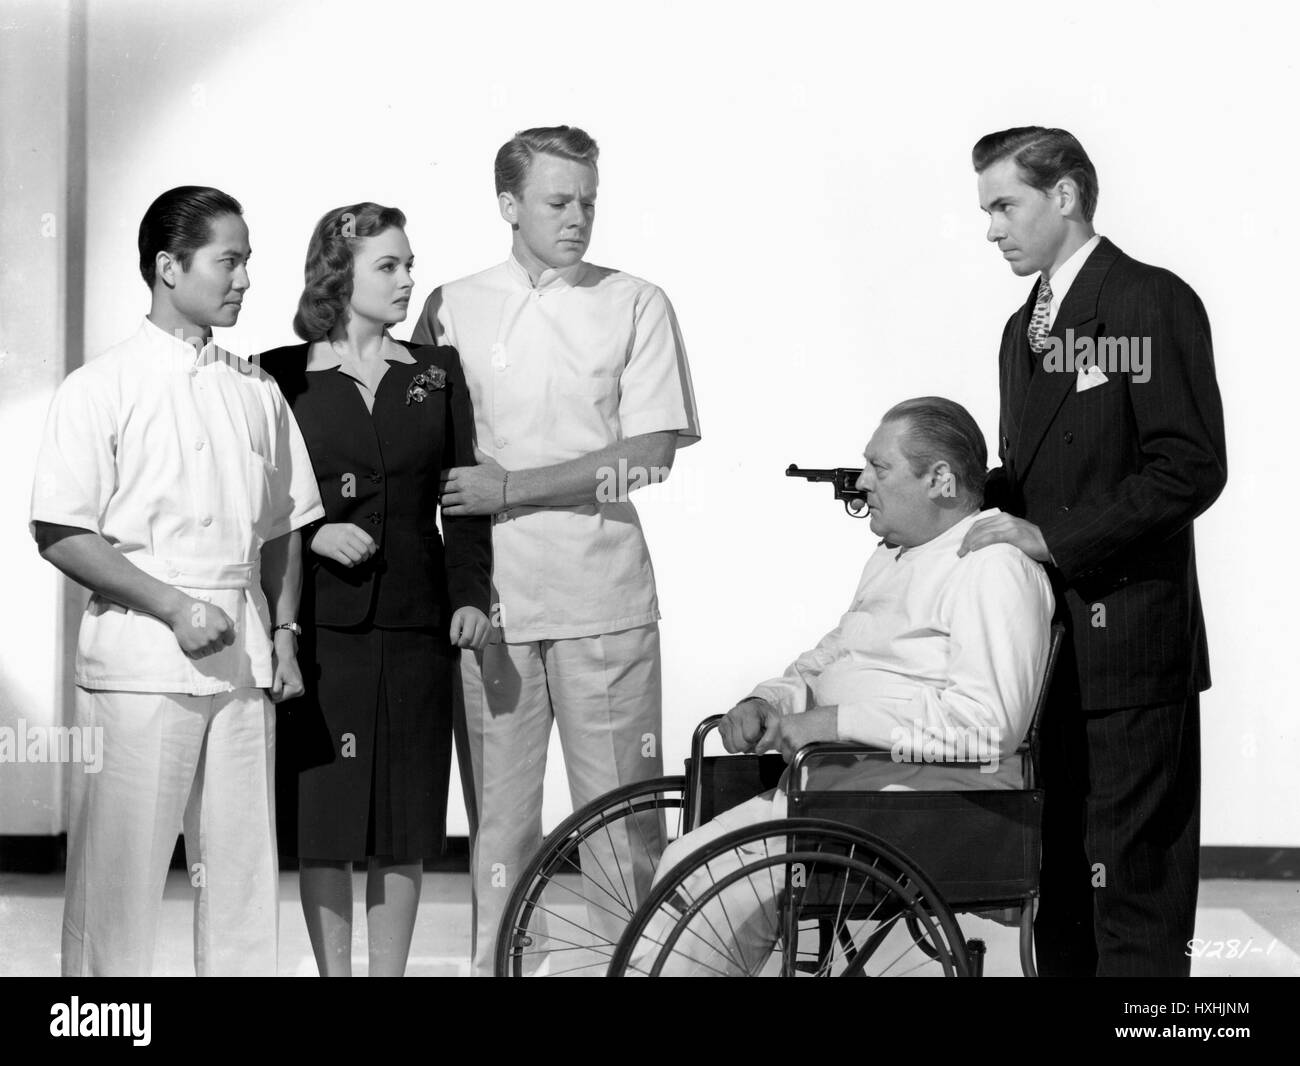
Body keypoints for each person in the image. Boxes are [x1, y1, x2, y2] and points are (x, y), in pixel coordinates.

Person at [411, 124, 701, 974]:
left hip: (600, 598)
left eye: (589, 201)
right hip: (493, 602)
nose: (578, 218)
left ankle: (634, 970)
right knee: (498, 824)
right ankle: (500, 969)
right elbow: (433, 450)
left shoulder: (636, 300)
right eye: (557, 201)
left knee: (621, 821)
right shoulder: (453, 305)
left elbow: (647, 459)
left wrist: (515, 489)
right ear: (509, 205)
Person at [634, 398, 1054, 976]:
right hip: (840, 785)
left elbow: (989, 725)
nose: (861, 483)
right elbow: (832, 658)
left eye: (880, 469)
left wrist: (834, 724)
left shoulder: (991, 566)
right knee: (686, 864)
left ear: (941, 480)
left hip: (917, 800)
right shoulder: (893, 556)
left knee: (697, 874)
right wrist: (768, 701)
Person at [29, 186, 324, 976]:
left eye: (247, 263)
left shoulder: (256, 390)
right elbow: (60, 531)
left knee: (241, 888)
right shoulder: (101, 387)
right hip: (138, 667)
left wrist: (285, 637)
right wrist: (171, 606)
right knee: (115, 890)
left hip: (241, 666)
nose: (244, 280)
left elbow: (285, 526)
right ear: (168, 267)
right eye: (228, 261)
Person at [965, 127, 1227, 976]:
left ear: (1066, 196)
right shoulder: (1021, 329)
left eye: (1006, 205)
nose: (993, 228)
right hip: (1050, 652)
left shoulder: (1148, 302)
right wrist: (938, 498)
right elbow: (1038, 474)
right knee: (1063, 888)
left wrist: (1055, 538)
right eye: (988, 211)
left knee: (1133, 892)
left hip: (1131, 648)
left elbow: (1187, 467)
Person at [261, 203, 492, 977]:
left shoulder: (436, 372)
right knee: (324, 821)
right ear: (339, 273)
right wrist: (314, 531)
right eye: (387, 266)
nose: (406, 279)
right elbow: (262, 503)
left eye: (408, 264)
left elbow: (460, 502)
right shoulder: (281, 375)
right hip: (321, 626)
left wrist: (469, 595)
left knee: (404, 817)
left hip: (416, 623)